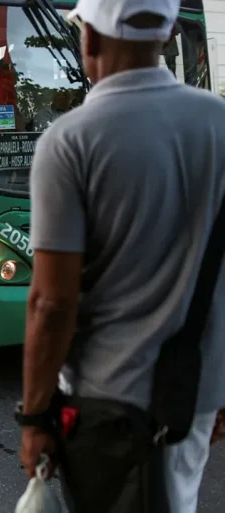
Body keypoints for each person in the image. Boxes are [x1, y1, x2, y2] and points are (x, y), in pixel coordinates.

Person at [19, 1, 225, 512]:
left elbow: (52, 303)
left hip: (107, 405)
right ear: (169, 33)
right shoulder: (218, 122)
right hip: (192, 391)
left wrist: (35, 417)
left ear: (89, 37)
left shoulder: (70, 141)